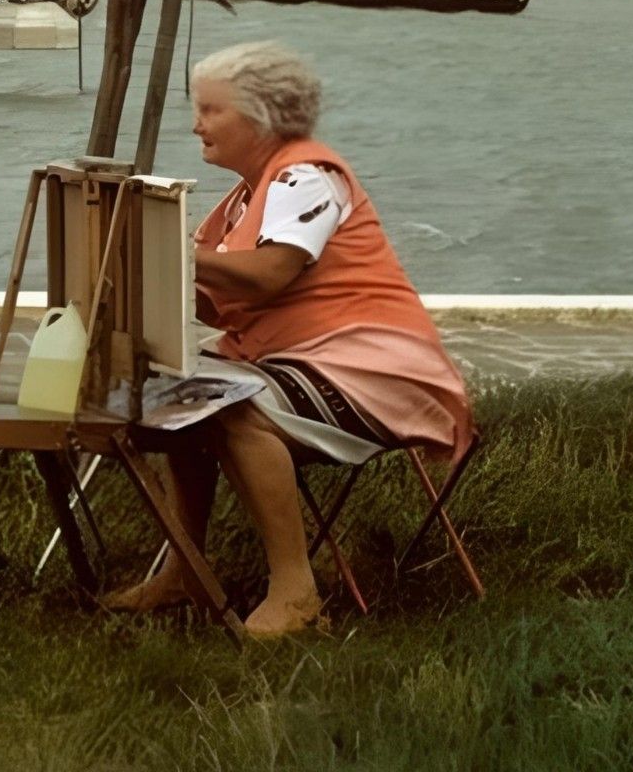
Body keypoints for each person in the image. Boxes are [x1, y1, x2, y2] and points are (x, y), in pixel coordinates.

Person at [104, 40, 473, 638]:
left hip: (378, 369)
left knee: (230, 407)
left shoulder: (307, 177)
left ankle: (296, 591)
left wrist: (176, 254)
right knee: (179, 394)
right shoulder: (244, 198)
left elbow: (273, 273)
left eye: (210, 110)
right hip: (308, 360)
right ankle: (186, 570)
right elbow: (218, 296)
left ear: (262, 116)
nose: (196, 124)